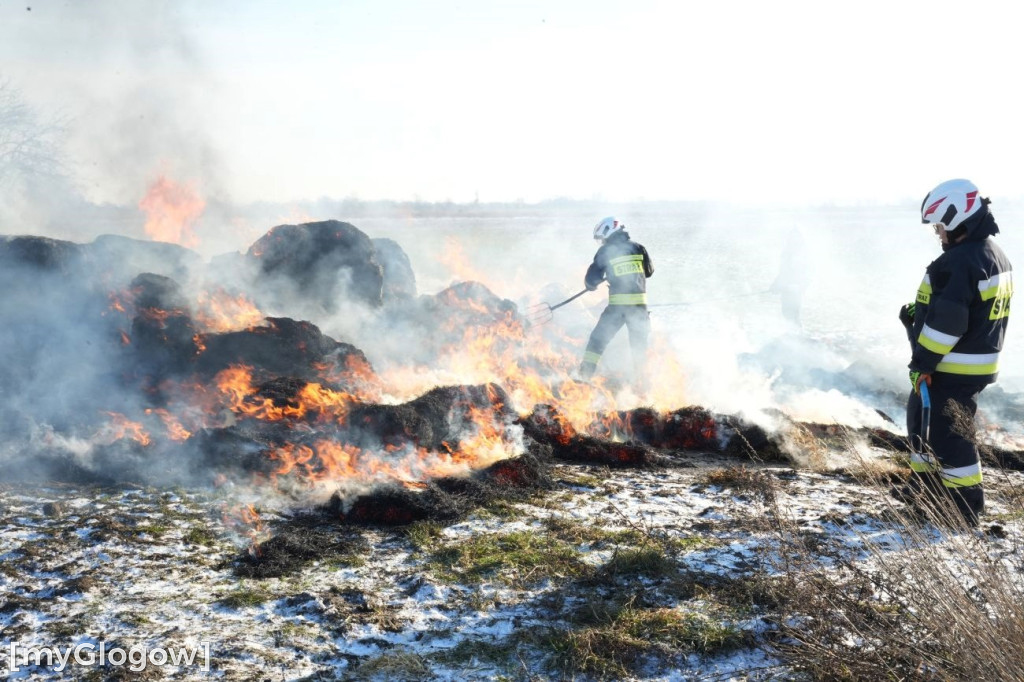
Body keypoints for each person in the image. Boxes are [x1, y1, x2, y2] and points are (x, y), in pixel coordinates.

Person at [895, 178, 1013, 525]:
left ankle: (964, 509)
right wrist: (919, 315)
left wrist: (922, 363)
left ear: (958, 218)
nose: (938, 233)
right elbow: (966, 310)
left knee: (951, 440)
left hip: (950, 367)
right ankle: (925, 492)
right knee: (921, 421)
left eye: (940, 225)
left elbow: (948, 325)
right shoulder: (992, 254)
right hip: (970, 364)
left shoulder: (958, 262)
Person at [576, 217, 654, 388]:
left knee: (597, 341)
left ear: (608, 232)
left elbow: (592, 279)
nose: (602, 242)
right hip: (640, 310)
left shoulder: (605, 251)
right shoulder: (639, 248)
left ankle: (584, 376)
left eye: (602, 238)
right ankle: (643, 387)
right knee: (639, 350)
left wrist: (592, 285)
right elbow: (649, 272)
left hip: (617, 310)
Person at [769, 227, 810, 327]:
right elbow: (783, 272)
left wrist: (799, 286)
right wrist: (775, 285)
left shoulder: (804, 254)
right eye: (792, 237)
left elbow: (808, 273)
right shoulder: (786, 253)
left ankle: (798, 335)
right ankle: (791, 334)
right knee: (786, 313)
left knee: (794, 313)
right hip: (785, 289)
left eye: (796, 237)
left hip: (795, 290)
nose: (794, 239)